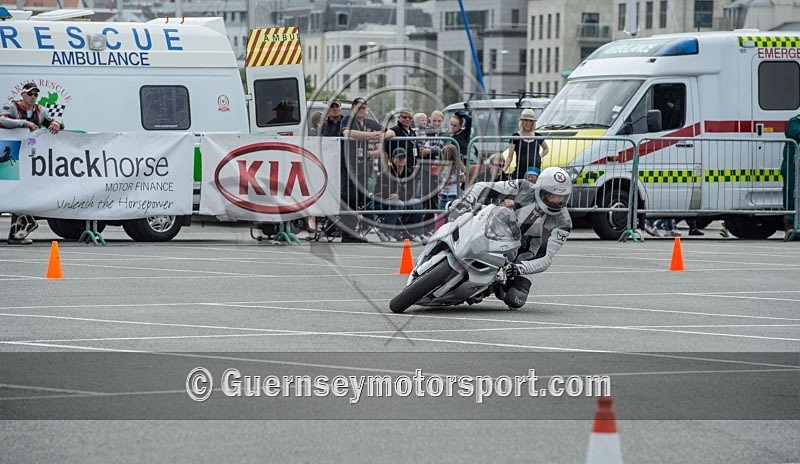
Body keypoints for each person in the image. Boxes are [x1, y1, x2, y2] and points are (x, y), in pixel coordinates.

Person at [450, 167, 572, 309]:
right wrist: (468, 200)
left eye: (562, 197)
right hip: (499, 232)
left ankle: (492, 288)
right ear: (541, 190)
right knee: (456, 207)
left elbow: (546, 257)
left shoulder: (563, 222)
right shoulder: (524, 187)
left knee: (516, 299)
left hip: (525, 255)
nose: (557, 201)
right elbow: (483, 187)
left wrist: (520, 268)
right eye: (552, 195)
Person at [0, 82, 64, 245]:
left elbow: (52, 124)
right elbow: (2, 120)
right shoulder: (12, 107)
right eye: (30, 94)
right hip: (10, 154)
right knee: (7, 191)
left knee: (23, 193)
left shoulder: (40, 110)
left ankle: (17, 232)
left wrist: (58, 123)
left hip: (30, 158)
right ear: (23, 95)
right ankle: (23, 226)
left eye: (36, 94)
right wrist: (24, 123)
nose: (33, 97)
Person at [339, 97, 384, 242]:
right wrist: (371, 135)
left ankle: (358, 231)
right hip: (348, 165)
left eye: (364, 108)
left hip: (364, 165)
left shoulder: (369, 123)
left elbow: (389, 133)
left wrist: (380, 136)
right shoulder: (348, 120)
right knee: (349, 198)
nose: (362, 111)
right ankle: (348, 233)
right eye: (360, 107)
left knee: (362, 198)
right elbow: (347, 133)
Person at [373, 148, 424, 241]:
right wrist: (396, 196)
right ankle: (385, 231)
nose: (401, 160)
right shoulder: (385, 173)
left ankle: (415, 233)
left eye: (403, 157)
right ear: (393, 159)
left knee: (417, 202)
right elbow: (381, 193)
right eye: (398, 157)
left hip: (401, 199)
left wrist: (399, 195)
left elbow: (411, 192)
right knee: (397, 203)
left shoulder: (409, 172)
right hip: (384, 202)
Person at [504, 108, 549, 180]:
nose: (528, 123)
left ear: (533, 123)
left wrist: (539, 156)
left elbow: (546, 149)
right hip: (521, 172)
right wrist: (503, 171)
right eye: (526, 120)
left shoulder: (538, 136)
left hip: (535, 173)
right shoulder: (515, 136)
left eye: (531, 121)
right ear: (522, 122)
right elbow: (510, 157)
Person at [782, 113, 800, 238]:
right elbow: (794, 133)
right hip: (791, 166)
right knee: (791, 194)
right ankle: (790, 226)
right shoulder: (794, 122)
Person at [437, 145, 466, 210]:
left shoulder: (456, 167)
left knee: (451, 211)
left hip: (453, 194)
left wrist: (451, 181)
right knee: (441, 210)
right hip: (443, 193)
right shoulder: (443, 166)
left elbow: (463, 178)